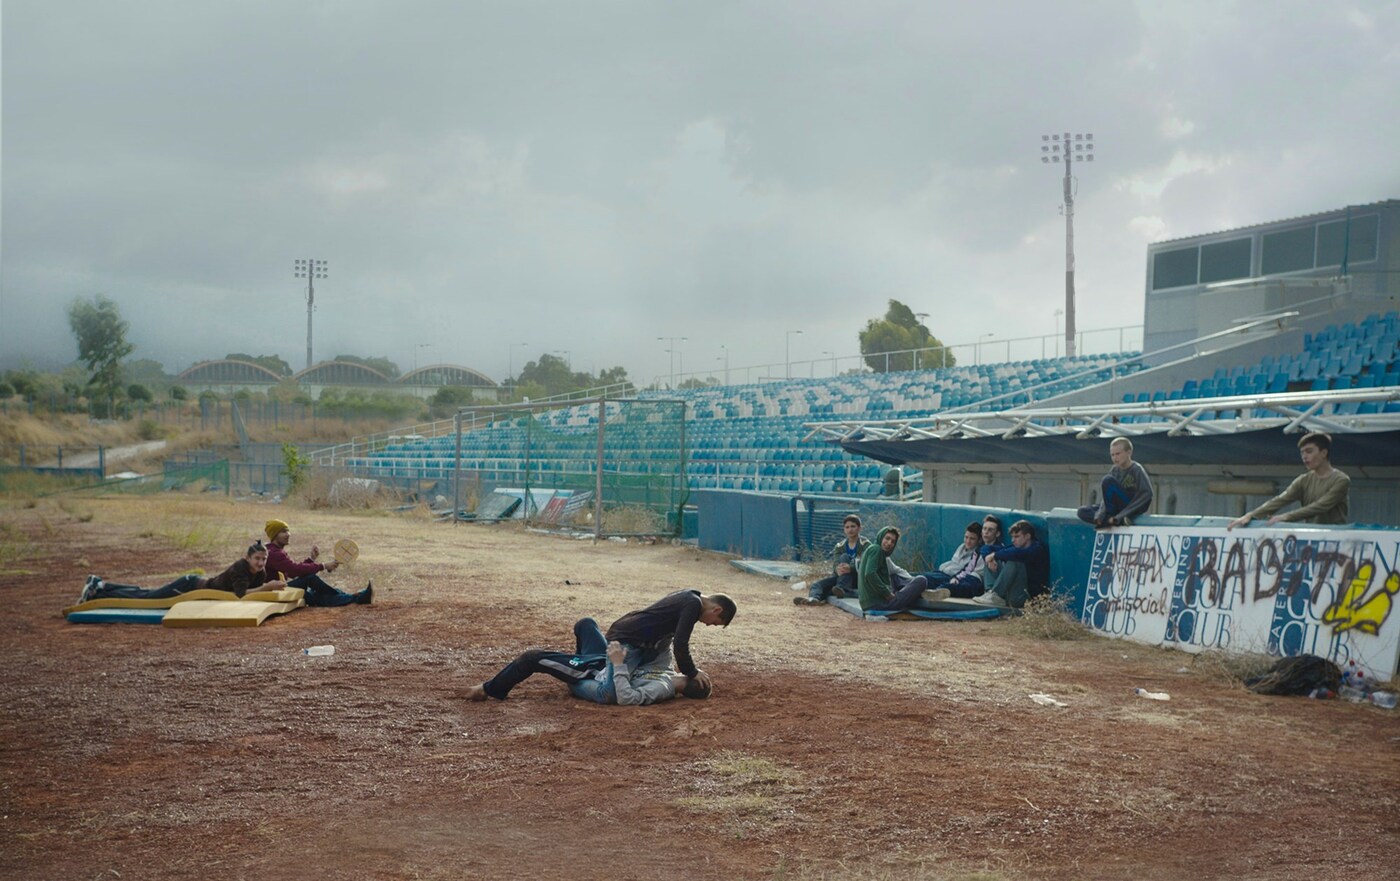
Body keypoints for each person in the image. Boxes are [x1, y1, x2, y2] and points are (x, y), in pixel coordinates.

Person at [463, 617, 712, 705]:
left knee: (533, 657)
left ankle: (488, 690)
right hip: (605, 666)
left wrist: (619, 664)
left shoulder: (663, 687)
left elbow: (625, 699)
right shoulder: (666, 672)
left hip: (597, 681)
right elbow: (663, 652)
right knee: (586, 624)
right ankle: (573, 666)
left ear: (692, 681)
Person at [605, 589, 736, 694]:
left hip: (637, 641)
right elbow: (680, 643)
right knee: (610, 693)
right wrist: (692, 672)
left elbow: (668, 638)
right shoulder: (693, 604)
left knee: (631, 676)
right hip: (626, 640)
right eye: (713, 622)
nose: (708, 625)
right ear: (717, 610)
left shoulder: (690, 595)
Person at [80, 540, 287, 603]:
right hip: (189, 586)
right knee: (148, 598)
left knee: (147, 592)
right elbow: (240, 594)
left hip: (199, 588)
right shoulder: (240, 567)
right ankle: (101, 586)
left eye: (263, 559)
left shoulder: (259, 573)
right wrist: (267, 587)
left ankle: (100, 587)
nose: (261, 563)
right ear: (247, 558)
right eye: (257, 559)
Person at [1227, 432, 1350, 529]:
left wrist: (1286, 516)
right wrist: (1251, 515)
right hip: (1312, 536)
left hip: (1336, 537)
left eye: (1309, 451)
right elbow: (1280, 500)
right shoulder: (1303, 480)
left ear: (1324, 453)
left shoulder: (1341, 480)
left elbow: (1321, 506)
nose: (1304, 457)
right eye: (1302, 453)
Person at [263, 519, 372, 606]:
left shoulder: (274, 550)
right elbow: (294, 570)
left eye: (288, 531)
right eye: (283, 532)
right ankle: (355, 597)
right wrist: (323, 566)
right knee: (312, 586)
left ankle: (357, 597)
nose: (288, 534)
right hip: (273, 590)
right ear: (274, 535)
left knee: (315, 593)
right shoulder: (273, 553)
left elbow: (291, 572)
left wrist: (311, 559)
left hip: (281, 587)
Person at [856, 526, 951, 615]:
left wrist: (909, 581)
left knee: (894, 576)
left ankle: (919, 592)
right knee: (922, 580)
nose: (889, 543)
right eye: (887, 538)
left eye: (893, 541)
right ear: (881, 537)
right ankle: (921, 593)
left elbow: (896, 571)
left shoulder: (875, 550)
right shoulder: (876, 550)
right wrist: (887, 593)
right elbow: (870, 574)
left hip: (871, 603)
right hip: (879, 605)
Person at [793, 514, 871, 606]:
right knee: (817, 585)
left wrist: (851, 568)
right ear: (844, 529)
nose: (850, 529)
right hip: (842, 578)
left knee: (844, 557)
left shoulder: (866, 545)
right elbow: (835, 564)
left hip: (859, 578)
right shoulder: (840, 546)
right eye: (847, 527)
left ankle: (843, 589)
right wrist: (837, 569)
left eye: (853, 526)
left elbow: (867, 563)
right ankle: (813, 599)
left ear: (859, 528)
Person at [973, 520, 1050, 609]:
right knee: (991, 559)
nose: (1013, 540)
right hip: (1008, 595)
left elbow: (1018, 554)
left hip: (1024, 598)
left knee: (1014, 561)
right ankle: (990, 593)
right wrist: (989, 557)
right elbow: (986, 547)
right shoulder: (1016, 546)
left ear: (1028, 536)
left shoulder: (1037, 549)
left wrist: (994, 555)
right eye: (1012, 537)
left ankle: (995, 595)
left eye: (1017, 536)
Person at [1078, 437, 1154, 528]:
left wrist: (1121, 515)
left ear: (1129, 453)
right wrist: (1100, 515)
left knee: (1107, 480)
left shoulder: (1136, 469)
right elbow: (1106, 497)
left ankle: (1113, 519)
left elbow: (1147, 494)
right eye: (1112, 455)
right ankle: (1110, 520)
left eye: (1118, 454)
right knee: (1082, 511)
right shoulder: (1114, 470)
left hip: (1129, 505)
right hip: (1114, 507)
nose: (1115, 458)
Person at [917, 521, 989, 599]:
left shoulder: (978, 553)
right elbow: (953, 563)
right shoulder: (962, 547)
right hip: (945, 573)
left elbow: (964, 570)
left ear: (979, 540)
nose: (968, 541)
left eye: (972, 539)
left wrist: (955, 577)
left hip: (954, 577)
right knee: (922, 577)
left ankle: (934, 593)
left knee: (930, 581)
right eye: (966, 537)